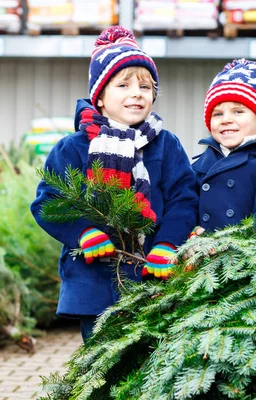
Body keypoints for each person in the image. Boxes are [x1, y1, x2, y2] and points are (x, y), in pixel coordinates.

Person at [30, 26, 198, 342]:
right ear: (101, 97)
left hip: (153, 276)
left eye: (146, 86)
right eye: (123, 85)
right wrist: (84, 233)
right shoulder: (73, 148)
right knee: (103, 361)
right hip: (95, 279)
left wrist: (168, 244)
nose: (137, 92)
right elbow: (49, 202)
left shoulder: (166, 145)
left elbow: (184, 200)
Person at [191, 58, 256, 237]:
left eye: (238, 111)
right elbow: (186, 207)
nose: (225, 119)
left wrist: (227, 243)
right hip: (202, 258)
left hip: (254, 258)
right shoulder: (200, 165)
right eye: (217, 114)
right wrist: (192, 234)